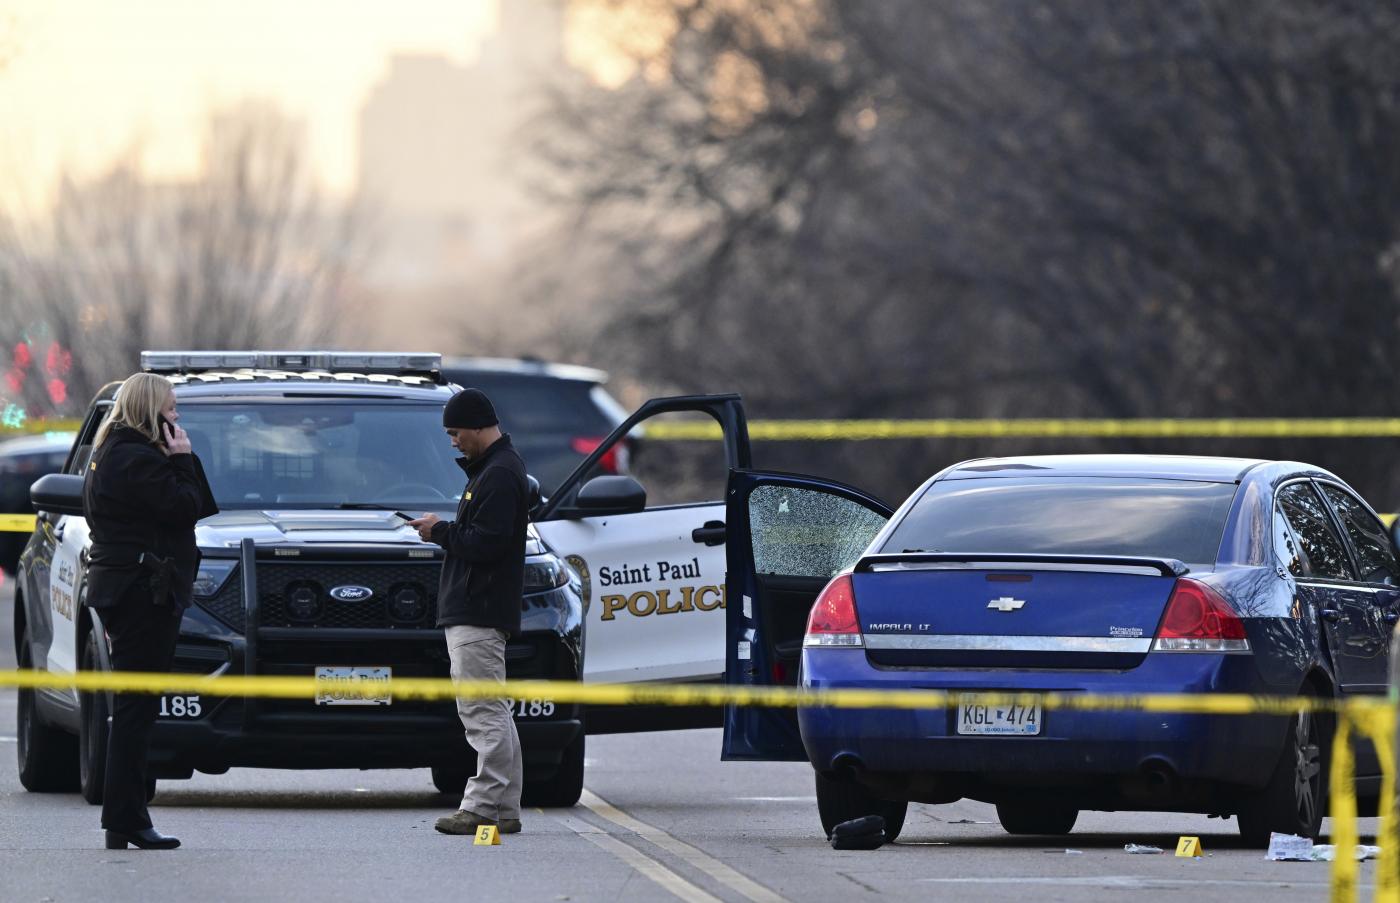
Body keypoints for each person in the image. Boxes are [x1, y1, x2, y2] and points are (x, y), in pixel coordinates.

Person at [82, 372, 217, 850]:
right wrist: (183, 459)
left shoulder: (117, 452)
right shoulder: (134, 458)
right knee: (136, 710)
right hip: (142, 594)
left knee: (135, 709)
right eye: (172, 409)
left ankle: (126, 818)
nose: (177, 418)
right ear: (149, 410)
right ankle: (126, 818)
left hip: (134, 590)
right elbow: (188, 506)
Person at [408, 388, 528, 836]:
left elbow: (485, 544)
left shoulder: (498, 474)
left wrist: (439, 531)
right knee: (493, 708)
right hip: (481, 609)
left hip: (477, 611)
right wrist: (444, 530)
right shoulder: (495, 470)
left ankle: (481, 806)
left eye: (456, 433)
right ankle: (505, 808)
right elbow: (482, 535)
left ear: (478, 425)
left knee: (482, 712)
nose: (453, 442)